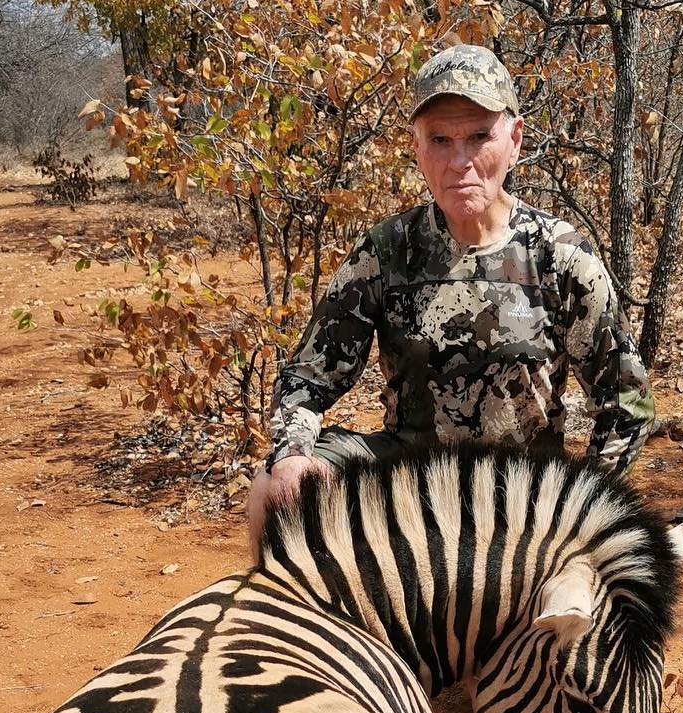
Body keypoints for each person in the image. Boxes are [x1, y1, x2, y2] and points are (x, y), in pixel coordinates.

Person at [248, 44, 655, 550]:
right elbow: (307, 380)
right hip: (405, 476)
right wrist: (291, 454)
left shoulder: (561, 255)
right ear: (416, 147)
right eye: (440, 139)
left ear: (514, 139)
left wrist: (579, 506)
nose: (459, 161)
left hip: (521, 489)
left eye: (479, 136)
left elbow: (626, 404)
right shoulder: (386, 249)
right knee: (273, 490)